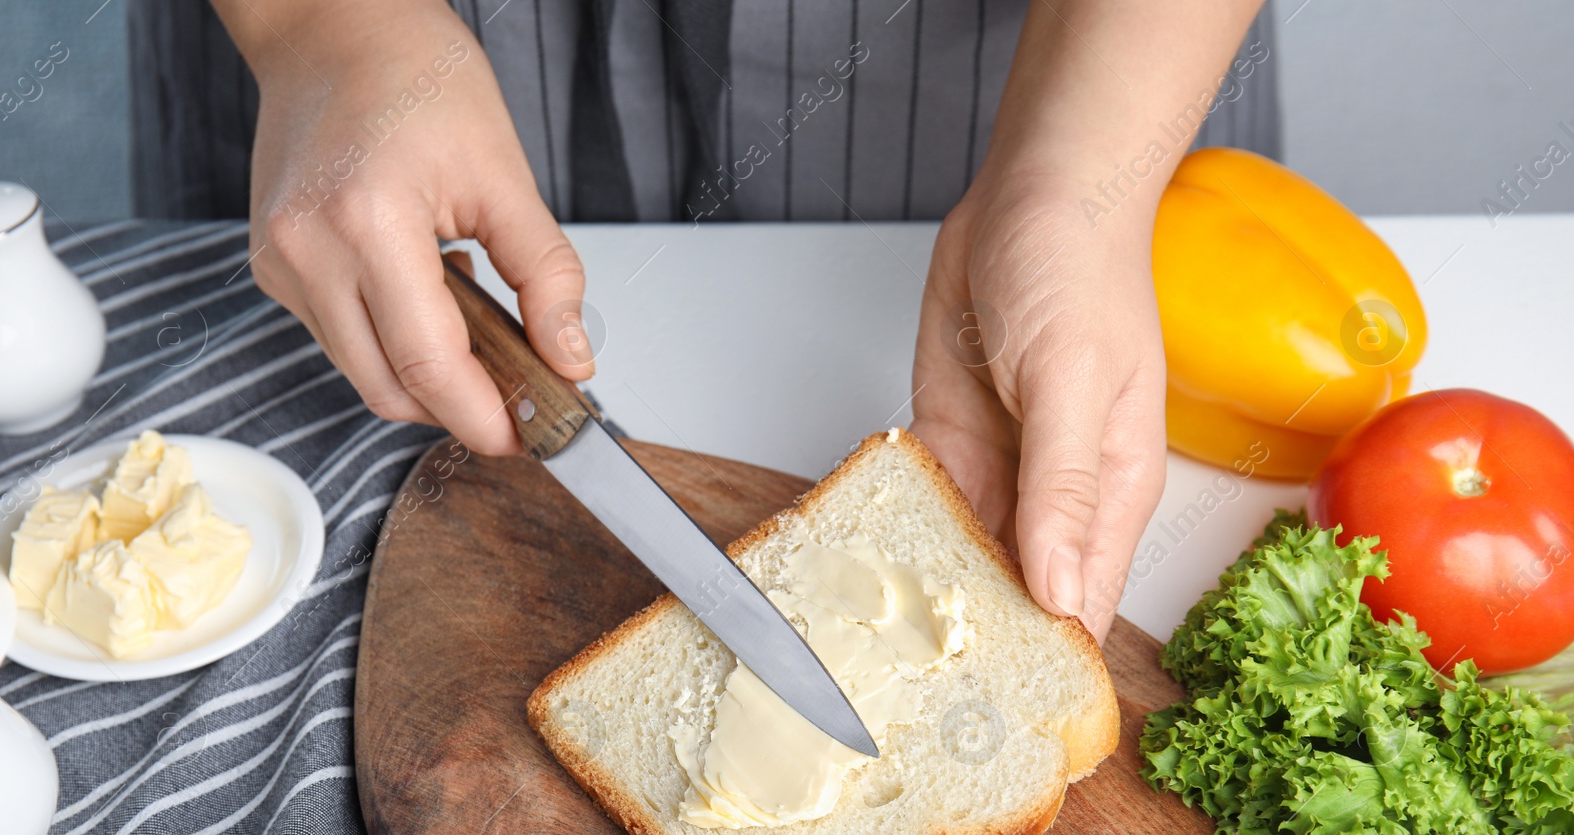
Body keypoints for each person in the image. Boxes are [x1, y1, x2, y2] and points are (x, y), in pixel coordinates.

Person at [210, 0, 1270, 642]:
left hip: (1061, 53)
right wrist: (324, 31)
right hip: (403, 50)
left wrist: (1081, 186)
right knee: (370, 264)